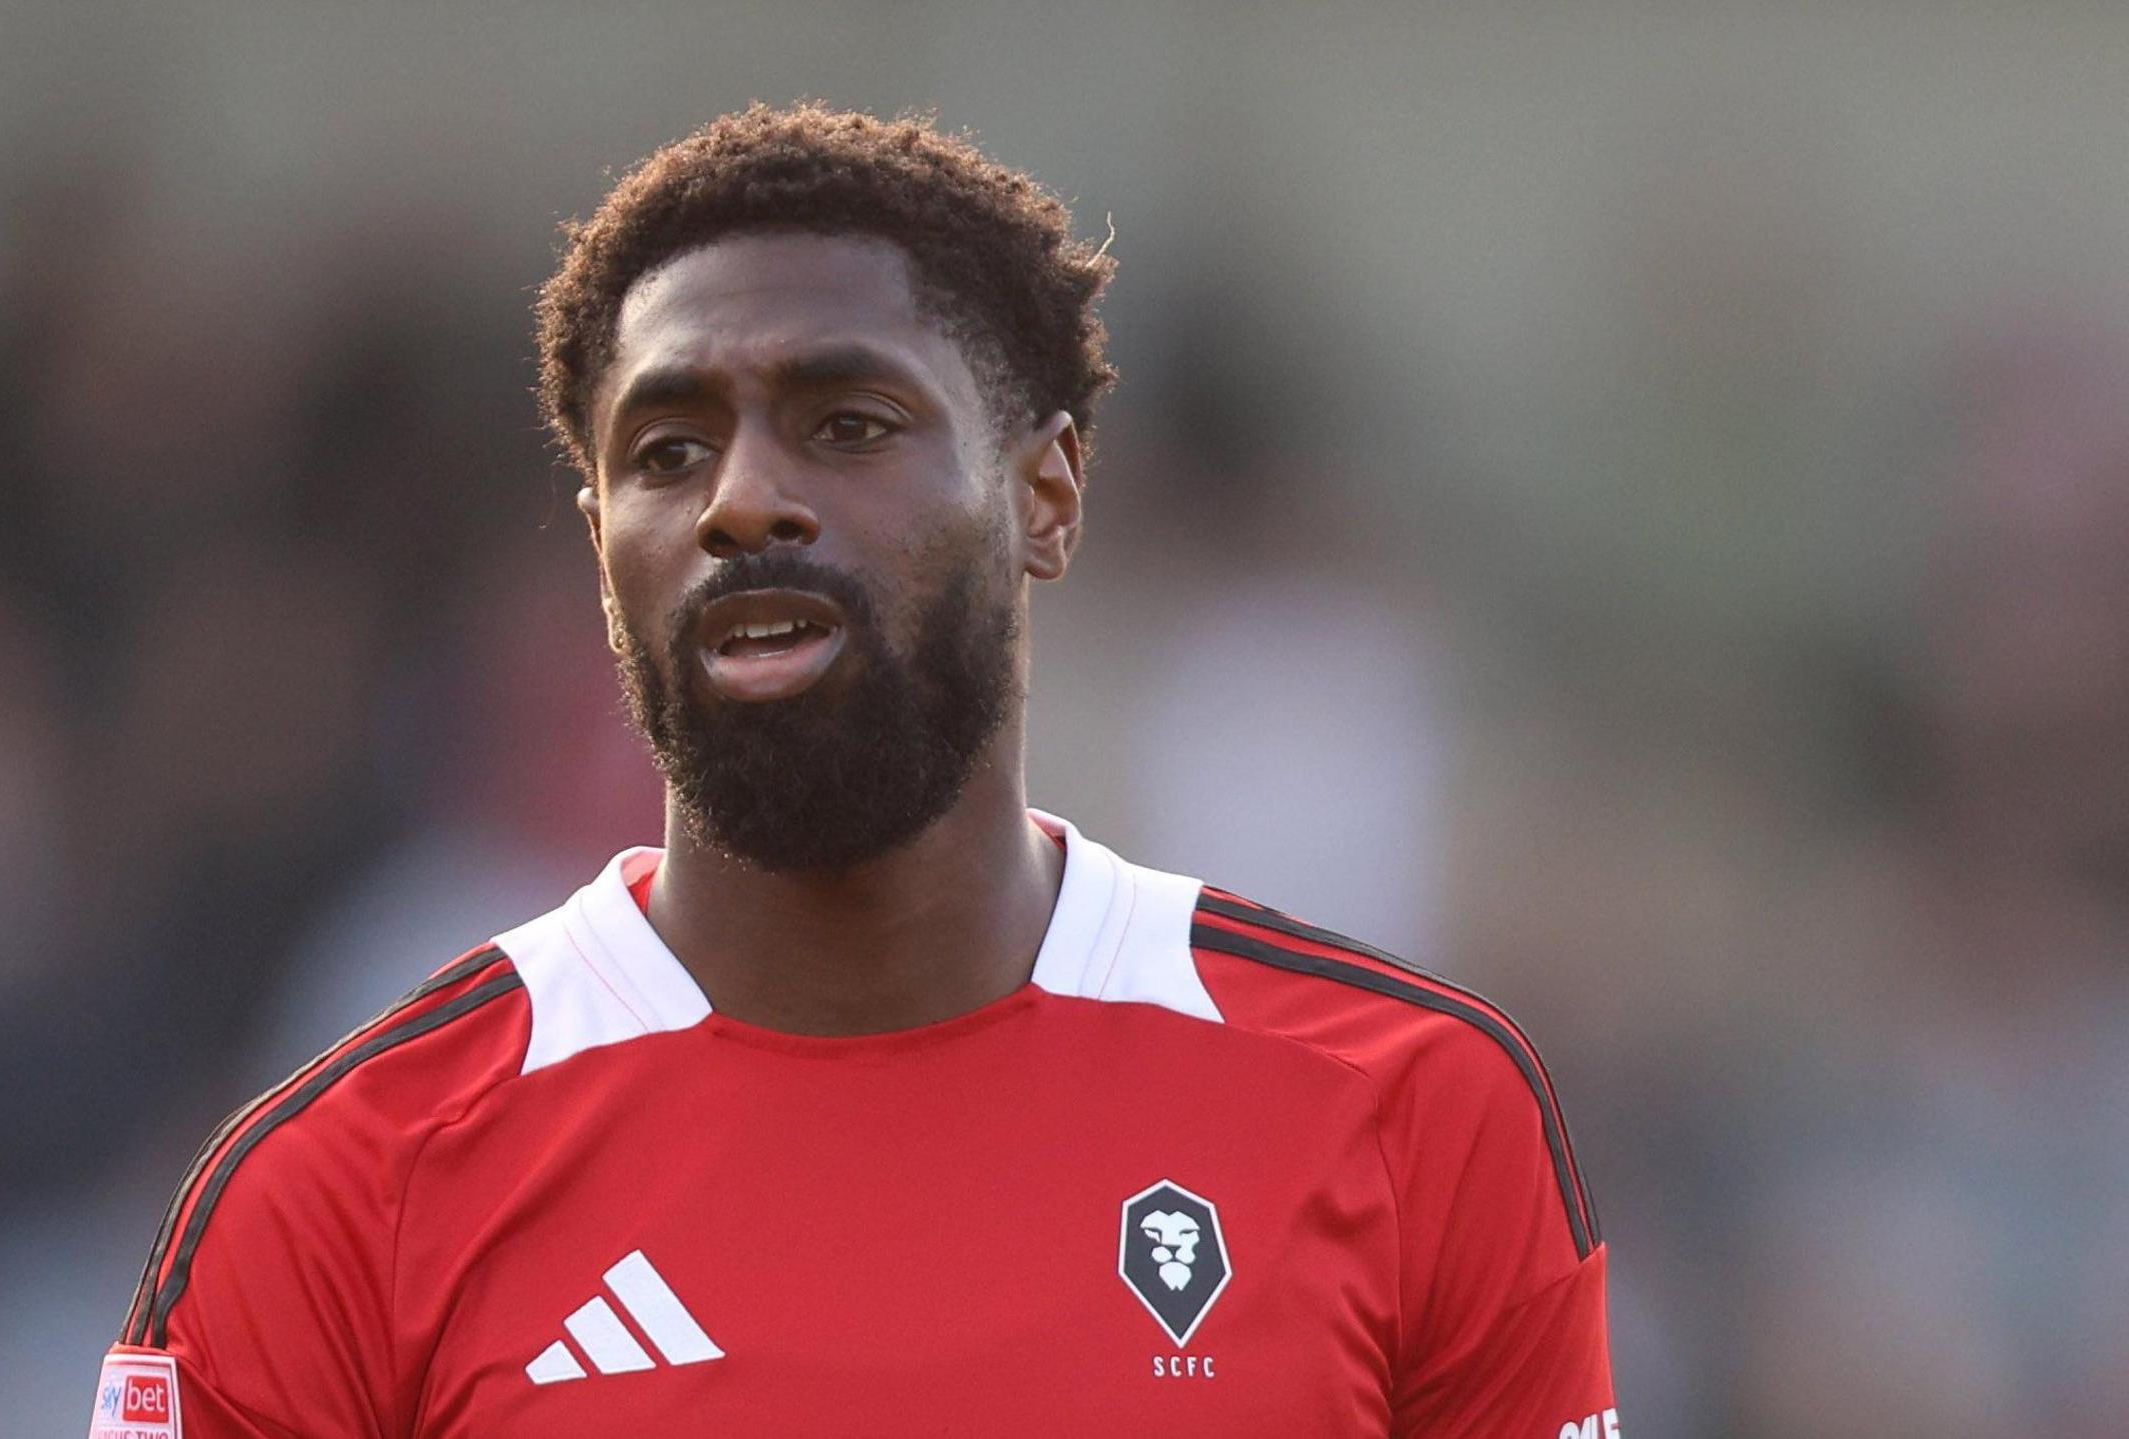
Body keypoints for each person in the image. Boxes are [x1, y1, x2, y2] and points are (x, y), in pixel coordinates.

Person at [89, 102, 1616, 1437]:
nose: (747, 500)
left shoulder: (1408, 1110)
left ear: (1049, 494)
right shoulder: (342, 1189)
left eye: (849, 423)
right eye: (669, 449)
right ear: (598, 543)